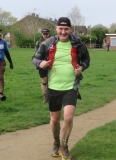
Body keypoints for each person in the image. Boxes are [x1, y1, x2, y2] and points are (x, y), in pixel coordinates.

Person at [32, 17, 90, 160]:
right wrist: (40, 63)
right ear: (56, 29)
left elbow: (86, 59)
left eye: (66, 29)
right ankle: (56, 142)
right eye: (61, 29)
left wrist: (81, 67)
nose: (63, 32)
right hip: (53, 87)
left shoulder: (77, 44)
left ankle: (64, 145)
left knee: (68, 117)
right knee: (54, 119)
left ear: (70, 29)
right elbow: (35, 58)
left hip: (71, 86)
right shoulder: (47, 44)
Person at [35, 28, 51, 103]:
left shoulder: (53, 40)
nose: (45, 35)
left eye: (46, 34)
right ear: (41, 34)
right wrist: (39, 63)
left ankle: (52, 95)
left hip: (52, 63)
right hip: (43, 64)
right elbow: (36, 55)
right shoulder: (38, 42)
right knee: (44, 80)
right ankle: (45, 96)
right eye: (44, 34)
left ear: (49, 33)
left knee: (52, 80)